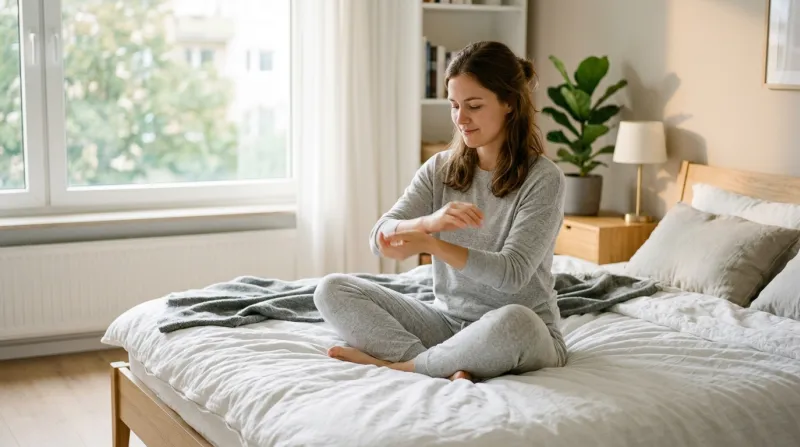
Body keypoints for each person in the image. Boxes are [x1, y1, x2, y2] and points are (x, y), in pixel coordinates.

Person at [313, 41, 567, 382]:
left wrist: (432, 244)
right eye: (454, 106)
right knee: (331, 289)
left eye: (474, 106)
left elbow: (512, 274)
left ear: (509, 103)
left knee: (515, 322)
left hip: (521, 332)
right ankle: (436, 363)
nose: (461, 119)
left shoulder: (544, 178)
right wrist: (426, 223)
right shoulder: (440, 169)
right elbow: (379, 237)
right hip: (448, 324)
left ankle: (400, 368)